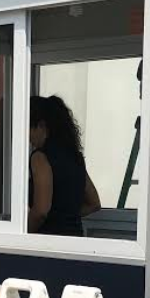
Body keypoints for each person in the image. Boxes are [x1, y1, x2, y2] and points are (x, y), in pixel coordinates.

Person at [28, 95, 101, 235]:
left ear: (41, 125)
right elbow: (94, 203)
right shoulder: (75, 156)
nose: (28, 136)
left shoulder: (40, 157)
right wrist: (67, 217)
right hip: (75, 240)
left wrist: (22, 234)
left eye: (29, 127)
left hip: (49, 242)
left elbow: (41, 211)